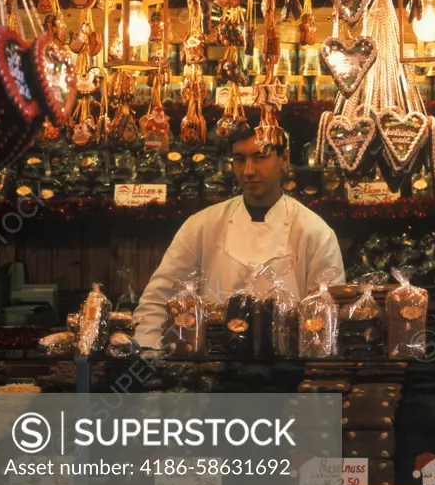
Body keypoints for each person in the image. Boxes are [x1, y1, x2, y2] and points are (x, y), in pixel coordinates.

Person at [134, 124, 345, 349]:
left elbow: (329, 314)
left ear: (284, 159)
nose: (248, 171)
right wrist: (148, 355)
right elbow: (158, 299)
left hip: (290, 369)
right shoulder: (202, 225)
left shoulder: (314, 231)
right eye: (239, 159)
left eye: (260, 157)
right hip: (211, 365)